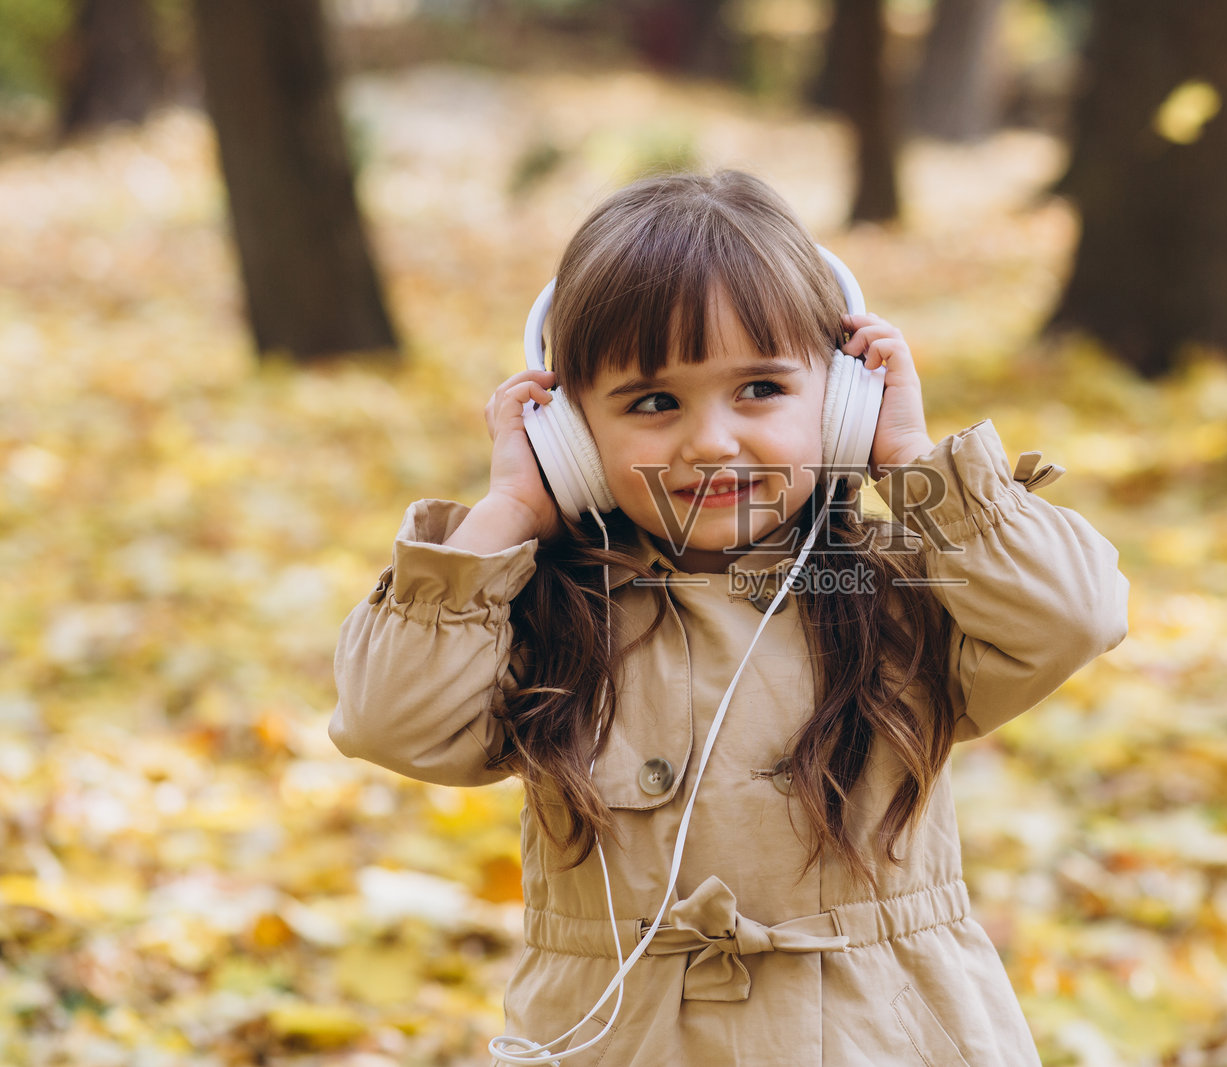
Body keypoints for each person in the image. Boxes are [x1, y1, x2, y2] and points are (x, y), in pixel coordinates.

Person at [330, 169, 1129, 1066]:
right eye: (655, 402)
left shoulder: (902, 591)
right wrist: (506, 514)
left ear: (838, 405)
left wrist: (910, 460)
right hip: (621, 1040)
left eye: (759, 390)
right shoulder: (546, 610)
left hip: (887, 1033)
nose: (712, 441)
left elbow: (1076, 614)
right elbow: (386, 720)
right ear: (571, 433)